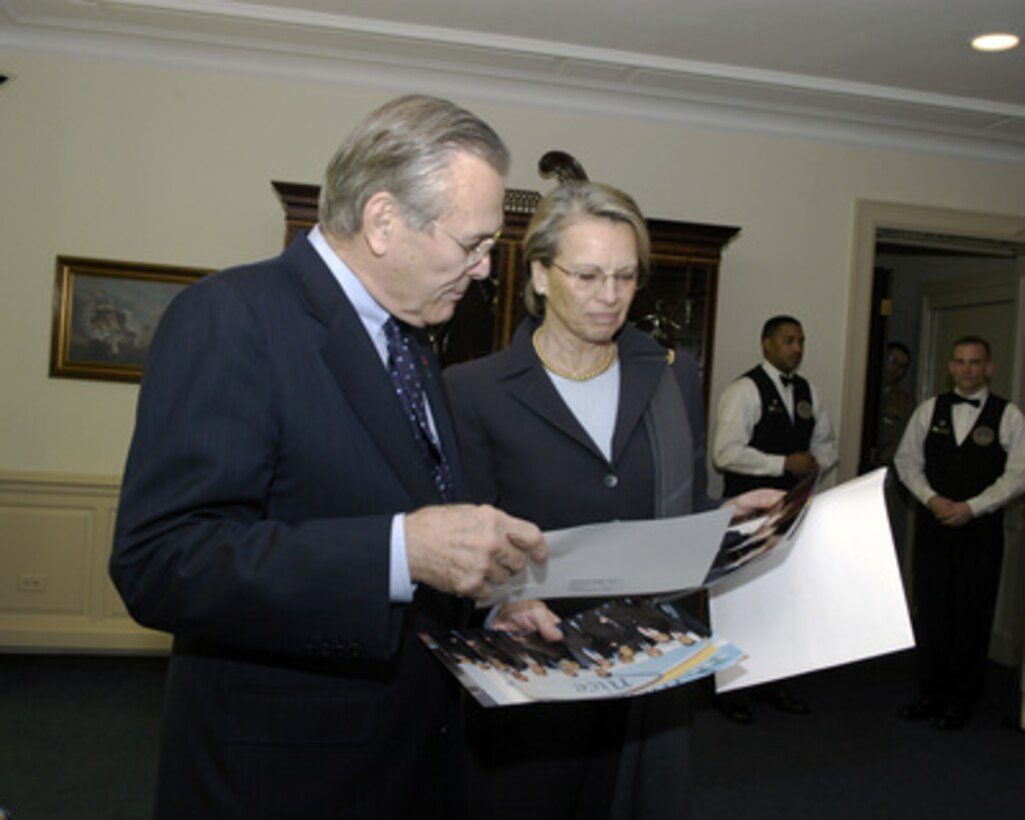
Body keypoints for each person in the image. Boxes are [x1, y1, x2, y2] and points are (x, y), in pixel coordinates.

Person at [109, 94, 548, 819]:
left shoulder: (409, 338)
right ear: (382, 221)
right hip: (283, 775)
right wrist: (399, 550)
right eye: (471, 244)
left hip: (403, 754)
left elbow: (392, 521)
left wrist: (480, 615)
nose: (480, 270)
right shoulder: (232, 315)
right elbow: (162, 562)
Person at [444, 181, 780, 820]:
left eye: (626, 277)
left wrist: (724, 515)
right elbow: (460, 535)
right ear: (540, 275)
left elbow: (669, 499)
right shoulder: (473, 390)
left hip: (649, 668)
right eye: (589, 274)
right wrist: (503, 604)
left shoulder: (671, 374)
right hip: (532, 666)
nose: (609, 296)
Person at [711, 313, 838, 722]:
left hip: (792, 511)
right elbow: (725, 453)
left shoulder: (808, 391)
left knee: (782, 601)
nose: (797, 349)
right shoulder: (744, 389)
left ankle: (774, 682)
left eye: (801, 341)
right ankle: (733, 691)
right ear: (767, 344)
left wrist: (816, 465)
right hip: (746, 512)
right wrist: (783, 462)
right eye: (788, 340)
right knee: (742, 602)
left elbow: (827, 444)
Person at [893, 335, 1025, 730]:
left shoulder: (1009, 415)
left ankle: (961, 699)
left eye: (976, 362)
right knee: (932, 610)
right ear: (950, 366)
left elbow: (1018, 474)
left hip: (981, 533)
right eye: (961, 361)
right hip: (934, 529)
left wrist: (972, 507)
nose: (967, 369)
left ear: (989, 368)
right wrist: (932, 499)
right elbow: (906, 461)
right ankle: (930, 693)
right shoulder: (928, 410)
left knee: (972, 613)